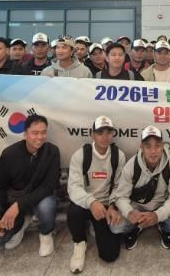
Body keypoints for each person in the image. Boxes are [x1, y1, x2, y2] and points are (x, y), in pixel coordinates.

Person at [0, 114, 60, 256]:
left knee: (47, 205)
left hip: (38, 197)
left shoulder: (52, 152)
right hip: (14, 200)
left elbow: (49, 186)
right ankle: (21, 223)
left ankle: (46, 233)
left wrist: (18, 206)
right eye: (35, 133)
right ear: (25, 134)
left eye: (43, 132)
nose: (40, 137)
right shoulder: (9, 154)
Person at [110, 126, 170, 250]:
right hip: (138, 207)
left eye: (157, 146)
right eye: (148, 146)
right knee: (115, 227)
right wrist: (130, 212)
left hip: (161, 205)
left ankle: (163, 226)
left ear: (163, 146)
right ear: (141, 147)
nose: (153, 151)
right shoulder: (131, 165)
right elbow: (121, 196)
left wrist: (158, 215)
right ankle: (137, 226)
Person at [66, 116, 126, 272]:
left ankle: (97, 227)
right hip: (86, 203)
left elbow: (119, 186)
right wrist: (91, 202)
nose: (105, 137)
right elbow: (73, 187)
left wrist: (113, 206)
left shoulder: (118, 156)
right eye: (100, 132)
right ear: (92, 135)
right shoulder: (80, 155)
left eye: (108, 132)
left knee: (110, 255)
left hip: (106, 205)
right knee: (73, 211)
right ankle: (79, 243)